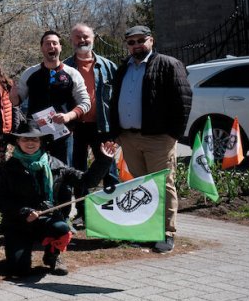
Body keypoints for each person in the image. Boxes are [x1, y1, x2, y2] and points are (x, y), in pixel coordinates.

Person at [110, 25, 192, 254]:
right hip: (129, 137)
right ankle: (148, 231)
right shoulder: (123, 68)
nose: (136, 45)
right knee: (141, 187)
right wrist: (117, 132)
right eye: (131, 42)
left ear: (151, 41)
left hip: (159, 139)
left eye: (140, 40)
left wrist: (173, 135)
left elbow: (183, 101)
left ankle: (166, 232)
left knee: (163, 185)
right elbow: (114, 99)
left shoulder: (168, 64)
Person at [0, 122, 113, 277]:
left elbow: (86, 181)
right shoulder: (8, 168)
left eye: (35, 139)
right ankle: (17, 255)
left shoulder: (56, 165)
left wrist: (104, 160)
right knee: (18, 270)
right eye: (25, 139)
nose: (30, 143)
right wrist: (24, 212)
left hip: (48, 219)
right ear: (17, 141)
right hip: (18, 223)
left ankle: (53, 255)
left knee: (61, 228)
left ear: (41, 141)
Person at [11, 30, 90, 164]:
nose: (51, 46)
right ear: (42, 48)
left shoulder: (72, 73)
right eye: (47, 44)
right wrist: (13, 97)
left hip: (63, 133)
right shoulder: (30, 73)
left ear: (60, 47)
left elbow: (86, 102)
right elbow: (17, 101)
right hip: (36, 135)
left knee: (62, 174)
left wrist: (69, 116)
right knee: (36, 173)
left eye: (55, 43)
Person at [64, 24, 120, 203]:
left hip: (102, 126)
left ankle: (112, 208)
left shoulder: (108, 66)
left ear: (93, 38)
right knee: (78, 170)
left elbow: (118, 98)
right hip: (75, 127)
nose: (82, 40)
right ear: (71, 40)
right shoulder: (64, 68)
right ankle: (83, 211)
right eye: (78, 37)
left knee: (108, 168)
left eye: (86, 36)